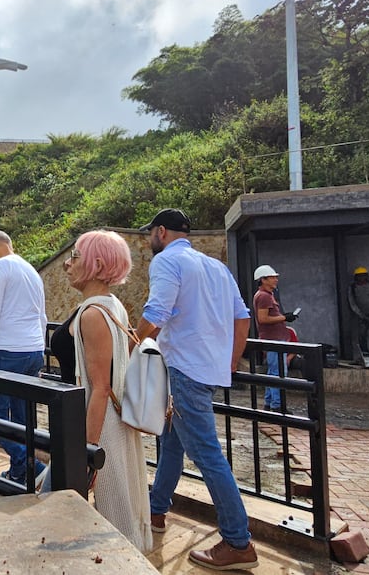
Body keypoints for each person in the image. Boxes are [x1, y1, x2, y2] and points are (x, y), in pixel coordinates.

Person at [135, 208, 258, 571]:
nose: (149, 240)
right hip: (208, 370)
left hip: (185, 369)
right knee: (172, 441)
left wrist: (129, 352)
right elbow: (242, 316)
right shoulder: (214, 267)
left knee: (207, 455)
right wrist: (231, 362)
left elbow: (156, 312)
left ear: (161, 232)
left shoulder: (167, 262)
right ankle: (156, 511)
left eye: (151, 234)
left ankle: (238, 541)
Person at [46, 230, 151, 554]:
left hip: (96, 428)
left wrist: (87, 454)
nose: (67, 264)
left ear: (97, 263)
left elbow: (101, 388)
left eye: (75, 257)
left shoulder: (93, 314)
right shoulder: (110, 306)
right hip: (100, 426)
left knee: (61, 509)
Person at [0, 230, 48, 484]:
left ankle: (33, 466)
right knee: (21, 417)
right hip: (33, 350)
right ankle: (21, 471)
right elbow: (42, 316)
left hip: (6, 351)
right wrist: (39, 351)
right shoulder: (31, 271)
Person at [253, 265, 296, 411]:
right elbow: (263, 318)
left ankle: (269, 403)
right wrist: (284, 317)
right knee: (278, 372)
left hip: (274, 338)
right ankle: (277, 405)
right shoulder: (264, 296)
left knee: (273, 371)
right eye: (272, 277)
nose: (275, 280)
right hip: (273, 339)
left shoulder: (267, 295)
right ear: (263, 279)